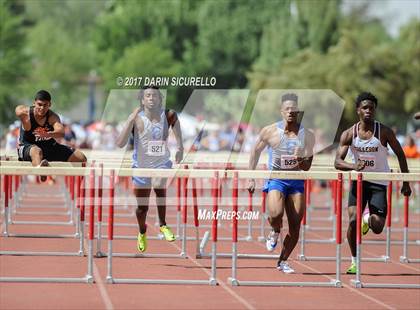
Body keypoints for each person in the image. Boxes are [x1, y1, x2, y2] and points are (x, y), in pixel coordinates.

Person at [334, 91, 411, 274]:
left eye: (372, 108)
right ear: (358, 110)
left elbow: (400, 154)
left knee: (377, 227)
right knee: (352, 221)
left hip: (379, 184)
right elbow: (337, 162)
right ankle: (354, 261)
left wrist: (406, 182)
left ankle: (367, 218)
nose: (369, 111)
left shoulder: (383, 131)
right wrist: (354, 165)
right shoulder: (349, 134)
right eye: (365, 107)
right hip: (358, 183)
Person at [248, 93, 315, 273]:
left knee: (295, 225)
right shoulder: (269, 131)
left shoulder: (307, 135)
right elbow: (255, 152)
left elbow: (307, 167)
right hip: (276, 179)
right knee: (276, 214)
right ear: (282, 111)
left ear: (298, 111)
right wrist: (251, 177)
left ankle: (283, 261)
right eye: (287, 109)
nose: (291, 112)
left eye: (294, 109)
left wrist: (300, 158)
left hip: (296, 182)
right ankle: (275, 230)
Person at [117, 86, 183, 253]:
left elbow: (178, 132)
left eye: (154, 95)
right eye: (148, 95)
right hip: (141, 165)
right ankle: (142, 231)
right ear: (142, 100)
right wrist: (130, 119)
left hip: (161, 162)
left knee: (159, 183)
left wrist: (180, 148)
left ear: (160, 98)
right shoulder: (137, 119)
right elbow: (120, 143)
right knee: (142, 208)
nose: (151, 98)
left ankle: (163, 225)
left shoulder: (169, 115)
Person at [15, 90, 87, 181]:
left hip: (49, 147)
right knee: (37, 151)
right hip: (28, 147)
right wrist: (22, 115)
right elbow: (18, 109)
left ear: (50, 105)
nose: (42, 108)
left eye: (45, 105)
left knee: (81, 158)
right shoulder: (26, 114)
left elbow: (61, 132)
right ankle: (41, 170)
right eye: (39, 104)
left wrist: (48, 133)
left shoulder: (52, 117)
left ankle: (80, 185)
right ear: (34, 103)